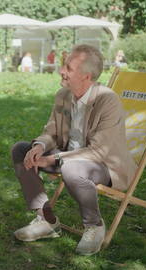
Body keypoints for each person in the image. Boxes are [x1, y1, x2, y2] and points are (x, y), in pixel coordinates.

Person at [10, 44, 137, 256]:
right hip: (69, 157)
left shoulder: (108, 100)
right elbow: (51, 132)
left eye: (68, 68)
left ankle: (94, 226)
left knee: (71, 169)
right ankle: (46, 220)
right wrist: (40, 147)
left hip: (105, 165)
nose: (61, 70)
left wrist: (52, 160)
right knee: (22, 150)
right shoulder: (63, 95)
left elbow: (97, 152)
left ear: (86, 76)